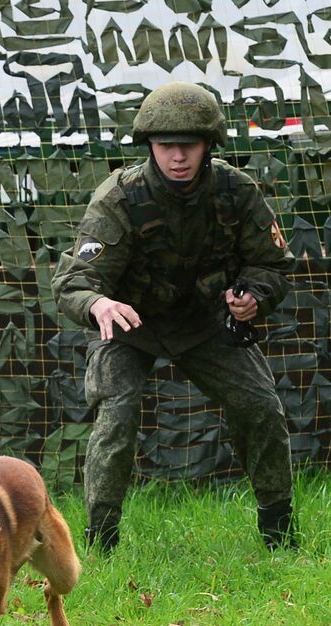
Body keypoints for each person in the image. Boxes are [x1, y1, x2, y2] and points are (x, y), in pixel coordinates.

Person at [52, 81, 298, 553]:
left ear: (209, 146)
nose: (177, 157)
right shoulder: (118, 198)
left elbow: (272, 264)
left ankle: (279, 535)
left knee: (262, 407)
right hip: (130, 325)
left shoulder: (236, 191)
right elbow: (73, 280)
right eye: (166, 146)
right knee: (116, 415)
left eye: (188, 145)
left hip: (205, 323)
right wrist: (98, 304)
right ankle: (100, 542)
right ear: (150, 146)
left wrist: (255, 297)